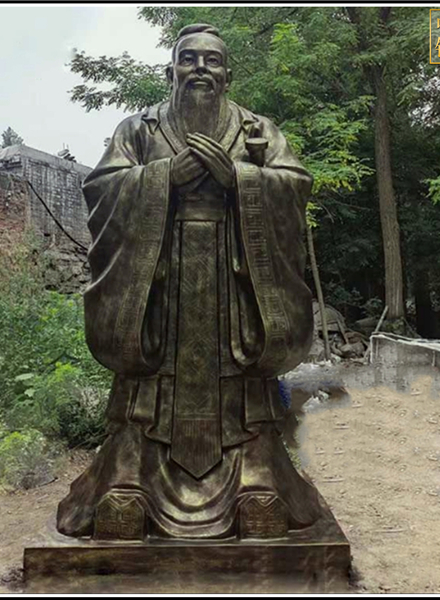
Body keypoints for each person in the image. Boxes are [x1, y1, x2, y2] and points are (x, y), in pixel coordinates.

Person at [57, 23, 321, 540]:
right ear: (170, 71)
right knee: (149, 384)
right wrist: (162, 178)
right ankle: (129, 483)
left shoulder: (258, 131)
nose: (200, 68)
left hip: (234, 282)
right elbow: (102, 190)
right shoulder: (139, 130)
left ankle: (256, 483)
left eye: (212, 61)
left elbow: (295, 187)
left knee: (241, 382)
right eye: (189, 59)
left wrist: (240, 178)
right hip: (158, 283)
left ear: (228, 75)